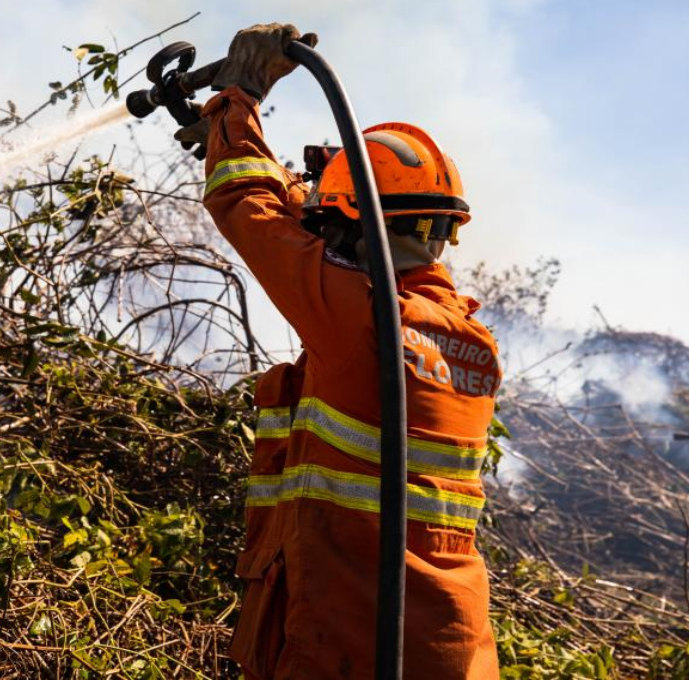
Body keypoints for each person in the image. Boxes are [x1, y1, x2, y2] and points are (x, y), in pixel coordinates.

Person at [180, 23, 502, 679]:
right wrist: (241, 143)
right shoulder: (466, 339)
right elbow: (324, 234)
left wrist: (240, 96)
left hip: (350, 637)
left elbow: (246, 203)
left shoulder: (362, 320)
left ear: (355, 227)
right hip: (446, 644)